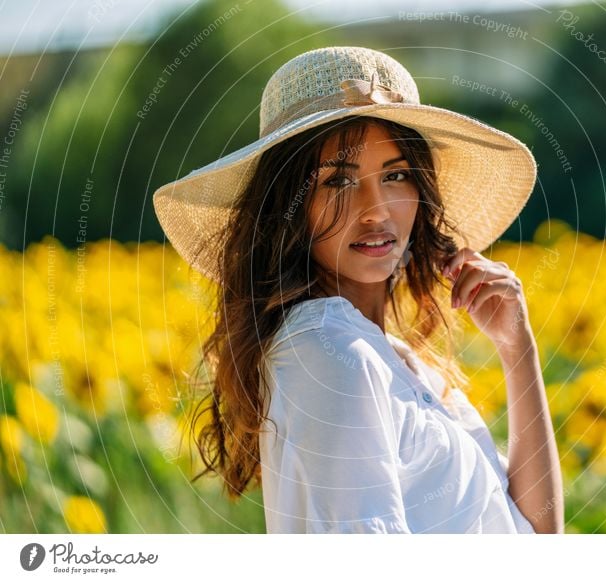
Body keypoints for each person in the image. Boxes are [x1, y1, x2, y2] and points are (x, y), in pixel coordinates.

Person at [152, 46, 563, 534]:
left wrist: (518, 349)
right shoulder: (328, 350)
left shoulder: (395, 358)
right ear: (289, 208)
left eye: (395, 175)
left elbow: (537, 536)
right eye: (338, 182)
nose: (376, 210)